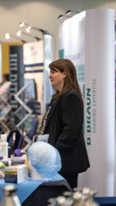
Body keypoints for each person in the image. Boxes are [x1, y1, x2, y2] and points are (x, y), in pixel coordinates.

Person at [39, 59, 90, 189]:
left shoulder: (71, 96)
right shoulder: (57, 97)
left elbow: (70, 131)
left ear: (64, 74)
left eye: (53, 72)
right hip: (56, 161)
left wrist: (53, 152)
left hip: (64, 161)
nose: (49, 75)